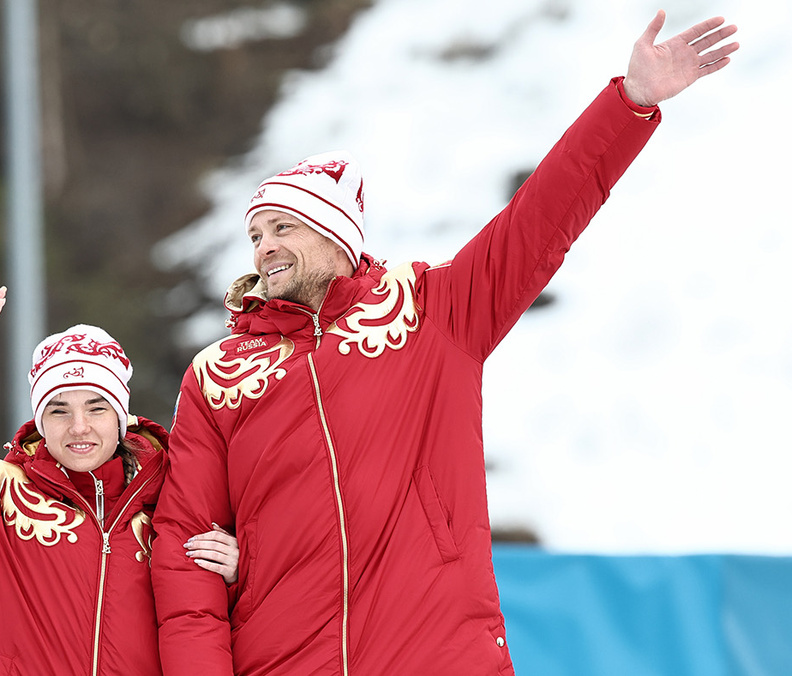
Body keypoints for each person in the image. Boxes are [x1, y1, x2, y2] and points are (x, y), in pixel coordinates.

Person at [151, 11, 738, 676]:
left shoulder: (430, 310)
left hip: (434, 654)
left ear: (337, 238)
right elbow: (185, 552)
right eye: (256, 235)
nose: (264, 247)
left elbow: (538, 221)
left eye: (284, 227)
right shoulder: (219, 375)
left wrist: (628, 103)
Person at [0, 277, 239, 675]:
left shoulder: (172, 505)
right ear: (40, 421)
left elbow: (210, 625)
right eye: (59, 410)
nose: (79, 427)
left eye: (97, 408)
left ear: (121, 417)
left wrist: (238, 575)